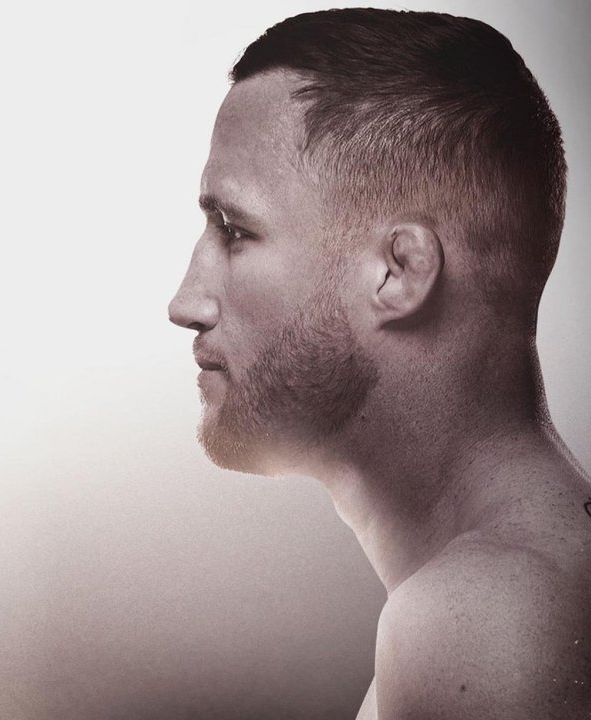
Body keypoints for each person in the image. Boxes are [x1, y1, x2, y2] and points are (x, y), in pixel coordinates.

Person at [168, 8, 590, 719]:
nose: (185, 303)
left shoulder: (478, 626)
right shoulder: (517, 592)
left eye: (234, 231)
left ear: (399, 272)